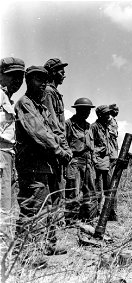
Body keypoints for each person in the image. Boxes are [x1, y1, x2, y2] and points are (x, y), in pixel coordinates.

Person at [14, 66, 72, 264]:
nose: (43, 85)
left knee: (46, 205)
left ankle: (45, 244)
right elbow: (39, 134)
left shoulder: (42, 107)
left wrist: (64, 149)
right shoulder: (25, 104)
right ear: (28, 81)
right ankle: (24, 253)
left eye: (45, 81)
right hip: (31, 164)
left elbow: (55, 130)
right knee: (32, 207)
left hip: (44, 164)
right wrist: (60, 151)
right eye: (38, 80)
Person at [0, 57, 25, 260]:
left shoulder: (7, 98)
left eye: (20, 77)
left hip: (8, 155)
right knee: (2, 207)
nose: (17, 81)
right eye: (12, 76)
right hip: (1, 155)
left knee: (7, 206)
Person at [42, 58, 70, 213]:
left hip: (58, 143)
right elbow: (52, 123)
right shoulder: (48, 92)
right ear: (52, 72)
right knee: (53, 185)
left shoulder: (55, 93)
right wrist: (62, 147)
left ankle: (55, 223)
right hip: (54, 144)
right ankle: (52, 226)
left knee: (58, 184)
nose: (64, 75)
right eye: (61, 71)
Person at [65, 98, 97, 224]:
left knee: (90, 191)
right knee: (74, 191)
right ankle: (71, 221)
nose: (87, 112)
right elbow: (63, 142)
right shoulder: (68, 124)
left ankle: (89, 219)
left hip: (88, 161)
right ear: (78, 109)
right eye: (84, 109)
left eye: (89, 110)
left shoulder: (88, 126)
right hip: (74, 161)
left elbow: (91, 145)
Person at [90, 105, 117, 220]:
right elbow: (91, 146)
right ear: (100, 115)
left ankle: (110, 213)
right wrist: (99, 151)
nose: (108, 116)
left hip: (108, 162)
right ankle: (95, 213)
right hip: (98, 163)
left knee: (110, 189)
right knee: (98, 191)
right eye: (106, 114)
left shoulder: (106, 127)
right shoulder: (94, 127)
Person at [108, 103, 119, 176]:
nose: (117, 112)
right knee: (112, 160)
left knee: (114, 160)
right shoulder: (109, 118)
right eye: (115, 110)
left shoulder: (114, 119)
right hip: (110, 141)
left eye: (117, 110)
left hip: (114, 141)